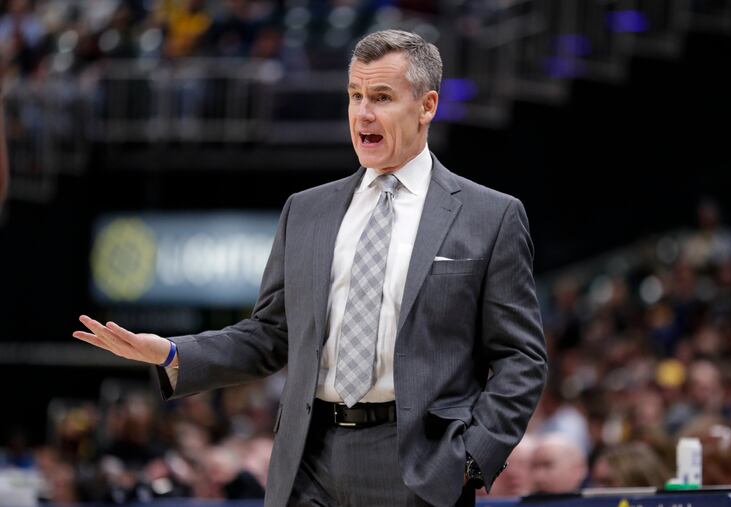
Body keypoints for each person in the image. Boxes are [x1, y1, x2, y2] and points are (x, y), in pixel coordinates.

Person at [73, 29, 547, 507]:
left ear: (427, 106)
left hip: (420, 464)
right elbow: (270, 335)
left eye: (382, 97)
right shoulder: (305, 211)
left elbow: (522, 359)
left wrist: (471, 458)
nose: (363, 113)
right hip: (308, 460)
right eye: (355, 96)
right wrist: (174, 353)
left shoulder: (491, 216)